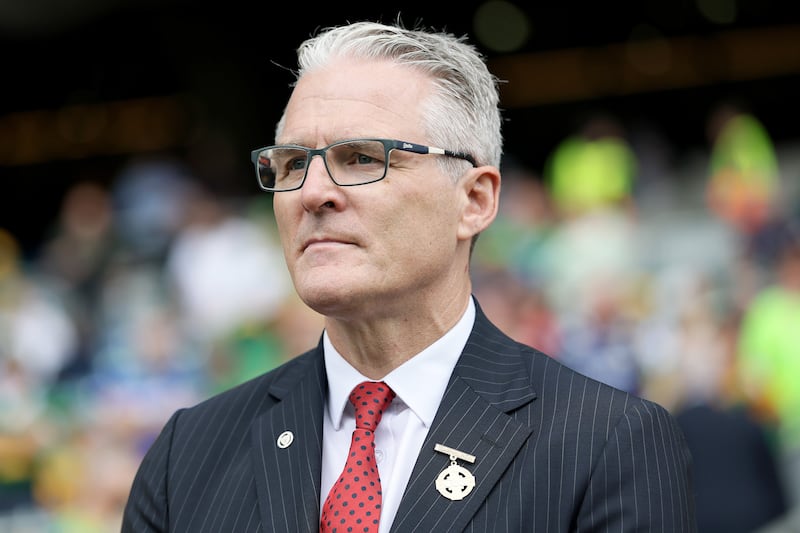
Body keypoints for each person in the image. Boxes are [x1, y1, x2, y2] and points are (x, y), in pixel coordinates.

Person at [121, 19, 696, 532]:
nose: (313, 192)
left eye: (363, 158)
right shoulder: (187, 455)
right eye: (292, 163)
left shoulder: (607, 444)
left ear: (474, 200)